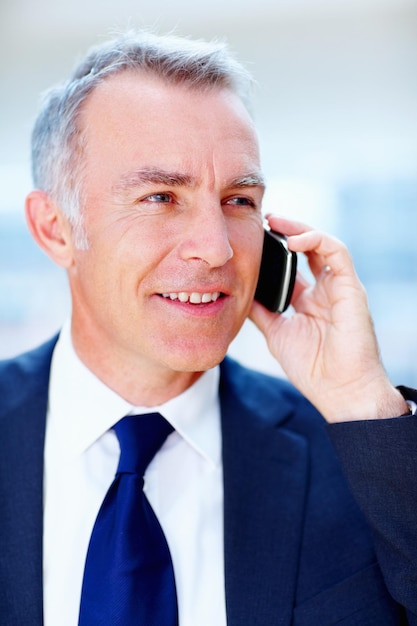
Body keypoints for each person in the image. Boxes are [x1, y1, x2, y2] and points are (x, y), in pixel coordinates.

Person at [0, 30, 416, 626]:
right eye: (161, 197)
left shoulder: (360, 457)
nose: (217, 249)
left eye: (239, 200)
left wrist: (363, 402)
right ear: (55, 229)